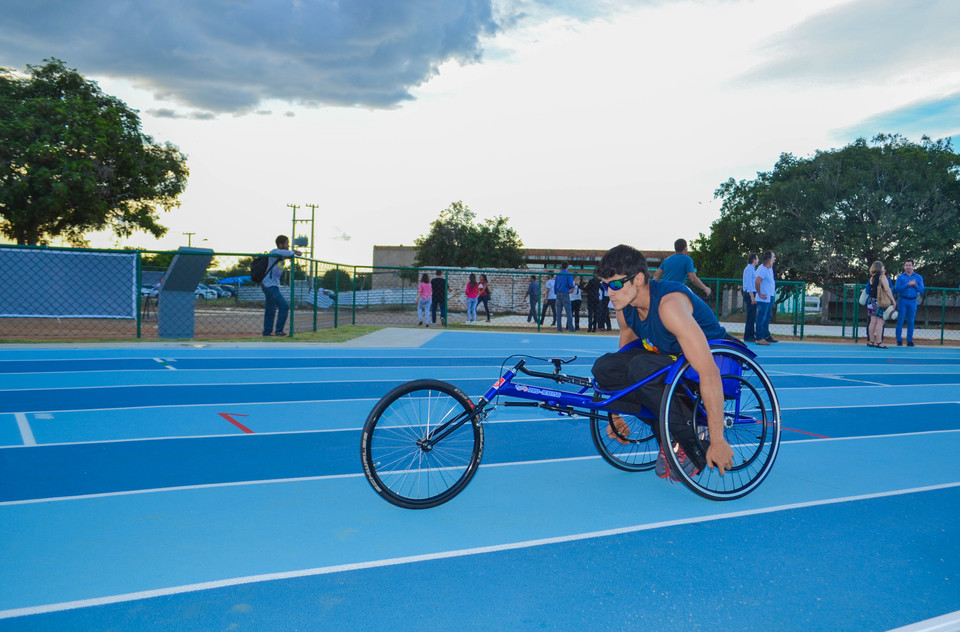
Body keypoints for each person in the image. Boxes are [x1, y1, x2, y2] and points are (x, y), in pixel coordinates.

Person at [590, 244, 734, 481]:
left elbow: (709, 372)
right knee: (605, 367)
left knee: (640, 369)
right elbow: (622, 362)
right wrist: (615, 414)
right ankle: (667, 433)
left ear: (637, 279)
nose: (609, 293)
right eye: (605, 285)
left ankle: (692, 440)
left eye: (615, 284)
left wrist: (718, 440)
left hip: (710, 362)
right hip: (671, 362)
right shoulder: (626, 310)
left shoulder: (669, 306)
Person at [262, 235, 300, 337]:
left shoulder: (281, 257)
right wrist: (294, 252)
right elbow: (287, 252)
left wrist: (291, 255)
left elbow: (286, 255)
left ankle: (267, 332)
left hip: (272, 285)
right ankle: (278, 330)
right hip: (269, 285)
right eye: (287, 244)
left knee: (271, 309)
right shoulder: (274, 252)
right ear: (280, 244)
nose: (288, 246)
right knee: (284, 306)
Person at [866, 261, 896, 348]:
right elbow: (887, 289)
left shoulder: (872, 278)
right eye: (883, 267)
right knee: (880, 321)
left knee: (872, 321)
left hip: (871, 301)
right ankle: (879, 342)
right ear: (880, 268)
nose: (884, 268)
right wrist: (893, 300)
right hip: (879, 301)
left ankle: (871, 341)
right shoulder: (882, 277)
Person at [894, 260, 924, 347]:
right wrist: (908, 284)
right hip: (902, 300)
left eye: (909, 265)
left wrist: (915, 285)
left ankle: (909, 340)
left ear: (913, 266)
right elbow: (897, 289)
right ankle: (899, 340)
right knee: (900, 320)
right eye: (906, 265)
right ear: (904, 267)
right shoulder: (900, 277)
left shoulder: (918, 277)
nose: (908, 267)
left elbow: (922, 290)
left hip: (913, 301)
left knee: (911, 321)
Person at [754, 251, 777, 345]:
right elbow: (757, 282)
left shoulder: (769, 269)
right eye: (773, 257)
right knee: (761, 317)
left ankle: (766, 335)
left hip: (768, 297)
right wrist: (760, 294)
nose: (775, 259)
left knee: (767, 316)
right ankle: (759, 338)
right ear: (769, 260)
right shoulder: (763, 269)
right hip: (763, 298)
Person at [741, 253, 759, 342]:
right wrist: (752, 297)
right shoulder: (749, 270)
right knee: (750, 316)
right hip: (750, 294)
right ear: (754, 259)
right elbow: (749, 284)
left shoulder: (752, 270)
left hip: (752, 294)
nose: (758, 260)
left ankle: (751, 334)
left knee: (752, 316)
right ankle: (748, 336)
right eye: (757, 258)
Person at [553, 262, 575, 332]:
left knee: (559, 312)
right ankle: (570, 328)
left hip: (558, 293)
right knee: (568, 312)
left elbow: (555, 285)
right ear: (567, 266)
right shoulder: (568, 274)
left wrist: (556, 292)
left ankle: (559, 328)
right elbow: (571, 284)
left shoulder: (558, 275)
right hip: (565, 293)